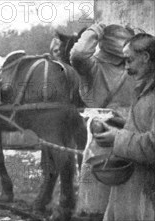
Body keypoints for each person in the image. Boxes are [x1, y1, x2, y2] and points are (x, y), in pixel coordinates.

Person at [69, 23, 136, 219]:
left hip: (101, 136)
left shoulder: (92, 67)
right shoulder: (139, 65)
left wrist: (94, 30)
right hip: (132, 133)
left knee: (95, 205)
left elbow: (79, 53)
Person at [92, 33, 155, 221]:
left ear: (145, 58)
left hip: (147, 193)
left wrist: (117, 138)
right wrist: (122, 122)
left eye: (129, 60)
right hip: (134, 189)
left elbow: (153, 145)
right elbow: (144, 126)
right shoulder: (145, 88)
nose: (126, 68)